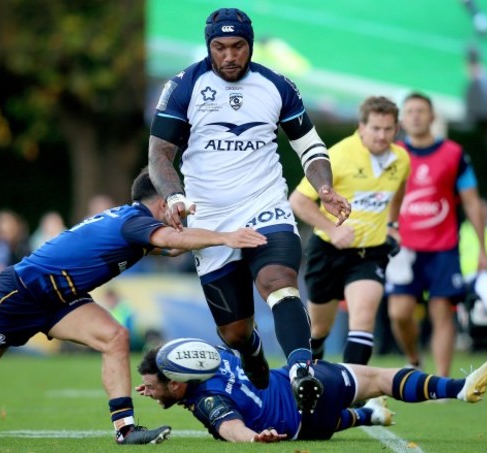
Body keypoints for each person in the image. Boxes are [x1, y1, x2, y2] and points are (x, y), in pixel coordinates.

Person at [0, 168, 267, 445]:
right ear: (160, 202)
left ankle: (125, 430)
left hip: (60, 298)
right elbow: (173, 238)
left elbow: (173, 246)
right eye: (174, 202)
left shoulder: (133, 223)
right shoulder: (135, 222)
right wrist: (226, 237)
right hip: (21, 292)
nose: (178, 211)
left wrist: (226, 233)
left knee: (115, 337)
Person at [147, 7, 351, 413]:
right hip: (208, 220)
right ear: (209, 47)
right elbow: (160, 155)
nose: (229, 55)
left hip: (265, 206)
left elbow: (309, 147)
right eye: (219, 47)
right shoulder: (184, 86)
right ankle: (252, 351)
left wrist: (323, 185)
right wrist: (174, 199)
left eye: (237, 46)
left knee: (279, 280)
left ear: (251, 45)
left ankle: (299, 369)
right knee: (235, 331)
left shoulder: (277, 86)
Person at [137, 339, 487, 443]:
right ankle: (458, 388)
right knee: (380, 378)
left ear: (177, 381)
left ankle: (370, 414)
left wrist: (253, 439)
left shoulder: (206, 400)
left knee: (329, 423)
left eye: (154, 388)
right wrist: (163, 386)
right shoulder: (214, 355)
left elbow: (228, 427)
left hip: (302, 425)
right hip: (306, 383)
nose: (148, 393)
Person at [289, 96, 409, 365]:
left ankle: (351, 392)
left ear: (396, 128)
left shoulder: (401, 159)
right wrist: (332, 230)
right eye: (375, 128)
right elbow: (298, 201)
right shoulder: (338, 156)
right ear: (361, 126)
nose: (381, 135)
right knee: (319, 329)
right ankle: (312, 373)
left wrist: (392, 225)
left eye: (388, 129)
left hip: (371, 252)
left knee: (363, 324)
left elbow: (398, 190)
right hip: (328, 250)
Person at [386, 92, 487, 376]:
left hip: (443, 248)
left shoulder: (454, 154)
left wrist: (482, 248)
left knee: (442, 314)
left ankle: (442, 383)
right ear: (403, 120)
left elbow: (471, 201)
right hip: (403, 248)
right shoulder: (393, 155)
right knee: (399, 313)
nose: (416, 116)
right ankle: (413, 358)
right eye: (410, 111)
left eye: (421, 110)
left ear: (432, 117)